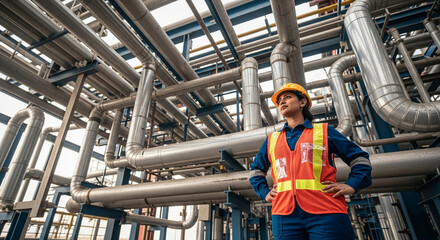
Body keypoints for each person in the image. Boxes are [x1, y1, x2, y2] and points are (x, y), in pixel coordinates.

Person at [249, 83, 372, 240]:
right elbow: (255, 171)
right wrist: (264, 192)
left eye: (287, 97)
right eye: (279, 100)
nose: (282, 102)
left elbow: (360, 159)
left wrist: (352, 185)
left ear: (302, 102)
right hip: (284, 215)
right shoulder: (272, 139)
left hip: (326, 211)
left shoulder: (324, 131)